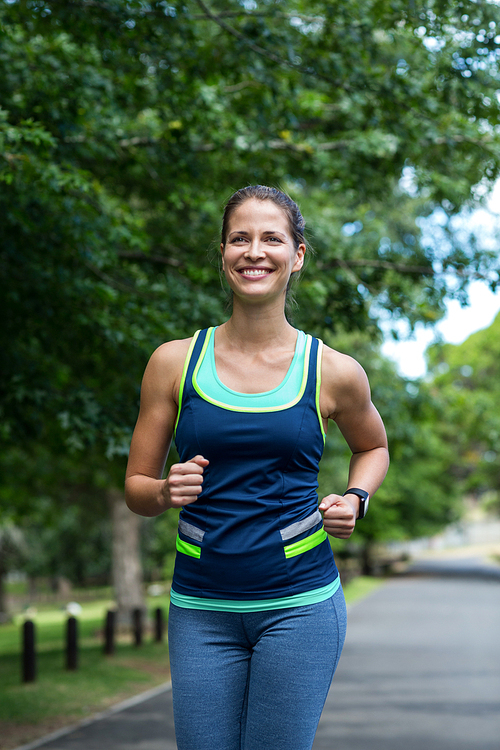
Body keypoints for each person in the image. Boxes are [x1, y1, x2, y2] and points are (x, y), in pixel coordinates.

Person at [125, 185, 389, 750]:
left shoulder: (334, 371)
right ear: (223, 252)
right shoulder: (173, 362)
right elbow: (136, 488)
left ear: (296, 256)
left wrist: (355, 498)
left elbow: (374, 447)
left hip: (300, 607)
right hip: (201, 609)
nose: (254, 251)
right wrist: (166, 491)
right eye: (239, 238)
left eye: (272, 238)